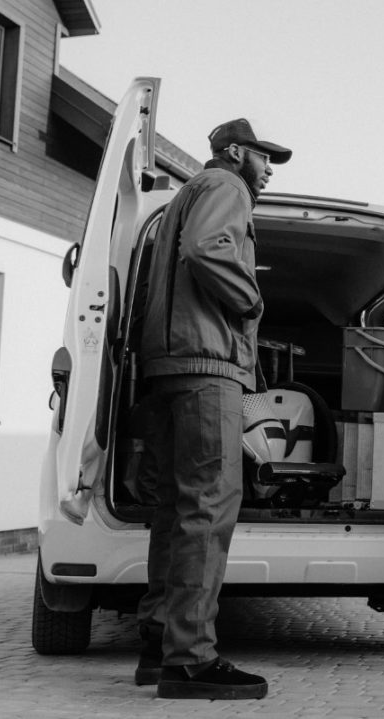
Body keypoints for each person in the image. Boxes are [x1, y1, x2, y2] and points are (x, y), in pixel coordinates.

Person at [133, 118, 291, 700]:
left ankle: (159, 640)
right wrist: (251, 302)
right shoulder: (227, 189)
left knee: (175, 508)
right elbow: (208, 250)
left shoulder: (183, 196)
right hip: (206, 369)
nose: (269, 170)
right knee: (209, 503)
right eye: (265, 158)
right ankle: (191, 660)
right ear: (234, 153)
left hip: (172, 366)